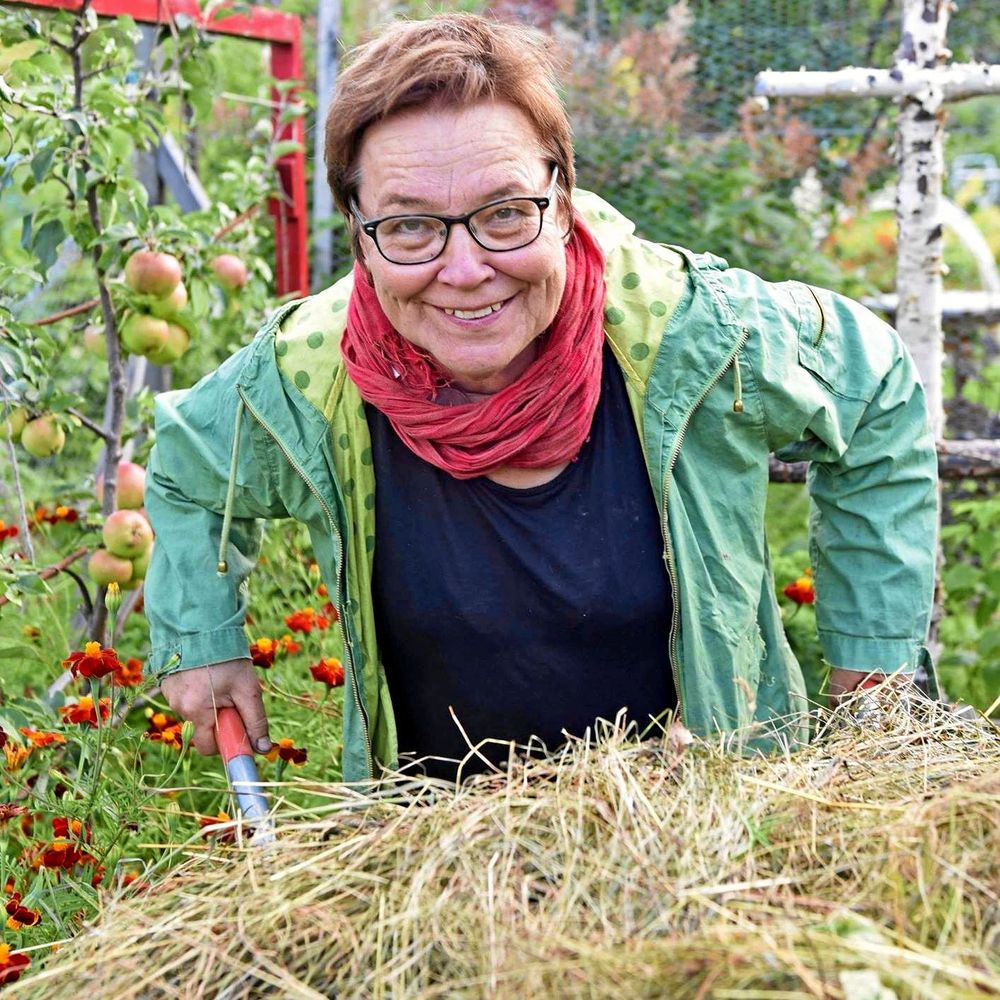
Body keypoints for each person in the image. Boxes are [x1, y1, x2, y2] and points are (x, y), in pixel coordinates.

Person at [145, 13, 938, 784]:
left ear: (561, 203)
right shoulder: (312, 374)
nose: (465, 271)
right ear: (360, 233)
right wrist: (200, 635)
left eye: (504, 214)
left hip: (713, 842)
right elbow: (187, 466)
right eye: (411, 226)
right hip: (431, 856)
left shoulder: (694, 334)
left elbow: (873, 387)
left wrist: (869, 675)